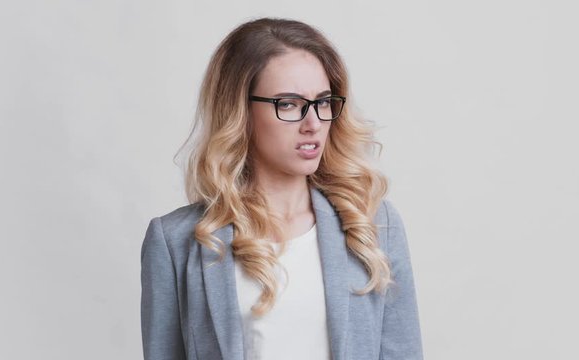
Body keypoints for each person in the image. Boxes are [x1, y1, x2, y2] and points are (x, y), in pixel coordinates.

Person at [140, 17, 423, 360]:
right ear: (239, 112)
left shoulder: (374, 226)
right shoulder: (175, 242)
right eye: (288, 103)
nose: (313, 123)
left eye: (322, 102)